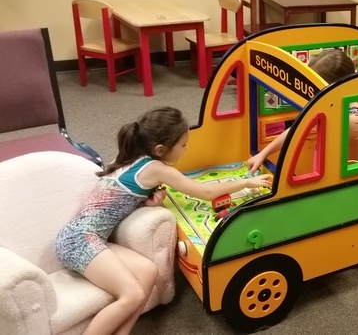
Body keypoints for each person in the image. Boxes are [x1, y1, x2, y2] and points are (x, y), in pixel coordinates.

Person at [54, 107, 269, 335]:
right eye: (183, 145)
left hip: (89, 237)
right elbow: (205, 192)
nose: (187, 149)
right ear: (160, 149)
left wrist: (145, 203)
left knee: (148, 272)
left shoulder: (131, 156)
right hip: (79, 240)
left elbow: (117, 199)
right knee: (132, 294)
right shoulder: (156, 168)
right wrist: (247, 183)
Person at [247, 48, 358, 174]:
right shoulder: (326, 103)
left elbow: (350, 170)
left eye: (316, 88)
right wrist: (263, 154)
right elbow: (297, 129)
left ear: (335, 87)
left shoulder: (352, 120)